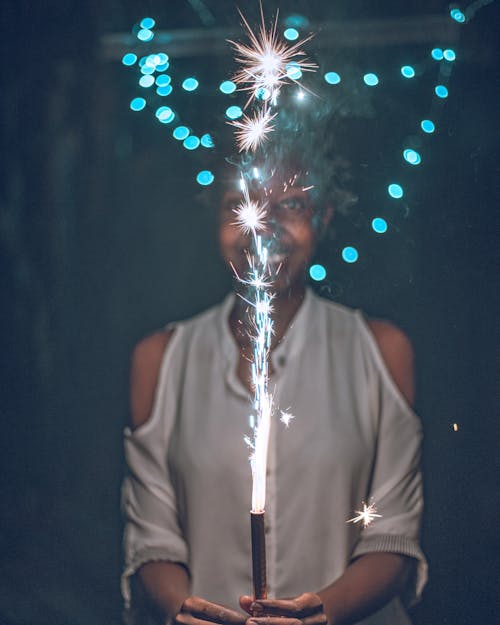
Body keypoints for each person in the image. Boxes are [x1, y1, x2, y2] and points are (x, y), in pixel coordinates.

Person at [121, 145, 427, 625]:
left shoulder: (381, 351)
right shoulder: (160, 359)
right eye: (241, 204)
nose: (263, 225)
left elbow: (393, 536)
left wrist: (322, 613)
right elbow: (152, 536)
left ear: (322, 219)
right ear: (216, 217)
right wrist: (182, 609)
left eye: (291, 204)